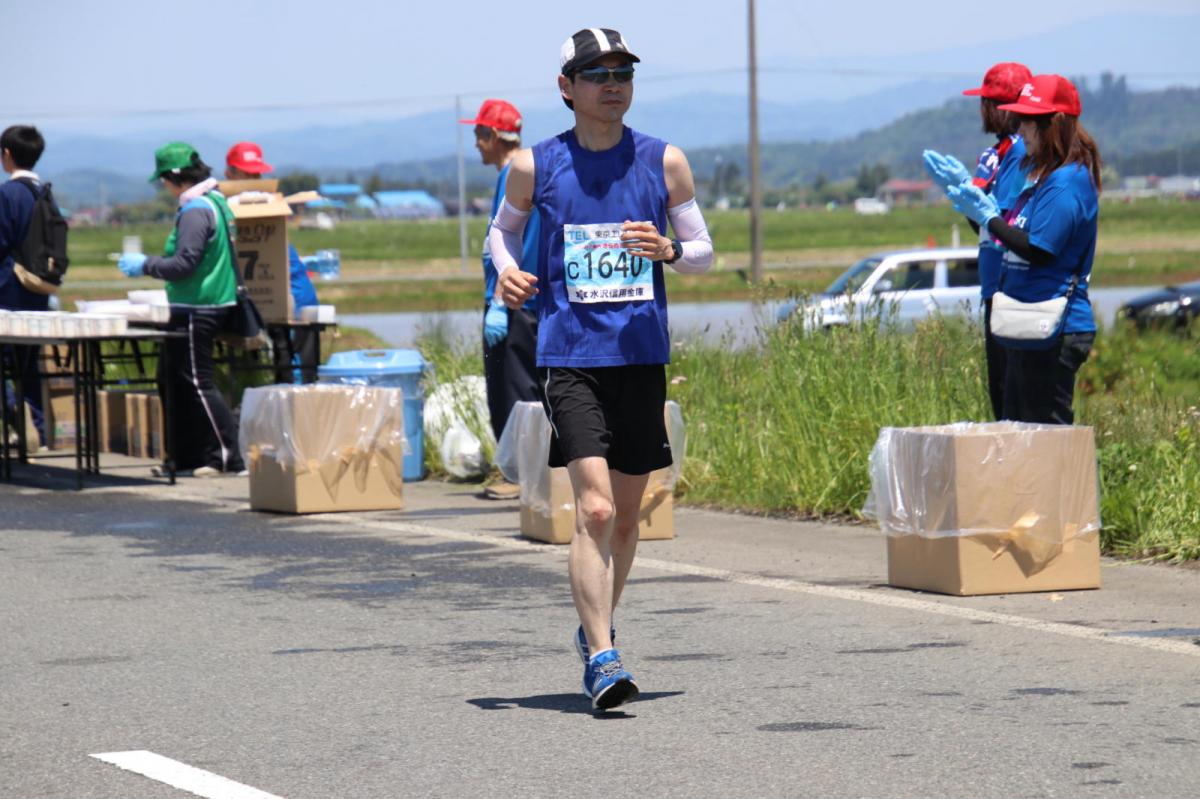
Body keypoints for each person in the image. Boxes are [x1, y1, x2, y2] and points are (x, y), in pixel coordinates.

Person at [490, 28, 714, 711]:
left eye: (622, 72)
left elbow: (704, 250)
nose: (611, 82)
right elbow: (501, 233)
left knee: (625, 519)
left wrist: (670, 249)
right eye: (595, 73)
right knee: (592, 507)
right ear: (567, 88)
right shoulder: (534, 165)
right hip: (571, 356)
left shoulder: (664, 161)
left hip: (640, 355)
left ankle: (593, 634)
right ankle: (605, 655)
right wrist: (507, 275)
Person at [944, 74, 1100, 424]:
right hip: (1028, 323)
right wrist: (984, 212)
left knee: (1045, 437)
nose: (1022, 129)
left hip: (1054, 327)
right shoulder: (1043, 179)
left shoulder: (1065, 184)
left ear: (1053, 126)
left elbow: (1040, 250)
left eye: (1029, 121)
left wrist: (988, 216)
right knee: (1017, 431)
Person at [118, 142, 246, 476]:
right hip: (208, 303)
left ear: (176, 177)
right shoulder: (217, 201)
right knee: (175, 379)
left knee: (199, 383)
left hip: (198, 306)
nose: (163, 185)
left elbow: (184, 263)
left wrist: (145, 264)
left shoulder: (195, 210)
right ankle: (190, 457)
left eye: (164, 178)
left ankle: (226, 456)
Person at [923, 62, 1032, 419]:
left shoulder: (1017, 152)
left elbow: (1004, 223)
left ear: (1001, 108)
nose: (980, 109)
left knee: (1010, 400)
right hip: (993, 287)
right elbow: (984, 227)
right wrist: (967, 199)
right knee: (999, 394)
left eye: (985, 102)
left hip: (1008, 287)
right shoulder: (997, 152)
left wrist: (979, 206)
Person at [458, 99, 541, 500]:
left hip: (512, 299)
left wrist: (497, 301)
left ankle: (520, 474)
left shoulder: (515, 175)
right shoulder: (518, 172)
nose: (475, 143)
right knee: (520, 385)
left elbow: (507, 246)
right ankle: (524, 470)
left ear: (492, 135)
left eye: (478, 134)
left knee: (514, 388)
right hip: (517, 298)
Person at [225, 142, 320, 382]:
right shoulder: (225, 204)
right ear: (230, 173)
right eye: (245, 173)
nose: (251, 178)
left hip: (292, 294)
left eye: (255, 173)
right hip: (261, 294)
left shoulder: (264, 203)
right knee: (281, 366)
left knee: (297, 374)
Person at [0, 125, 52, 446]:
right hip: (38, 292)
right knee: (29, 364)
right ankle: (40, 429)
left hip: (7, 289)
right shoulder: (45, 193)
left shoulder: (8, 194)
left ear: (7, 155)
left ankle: (17, 416)